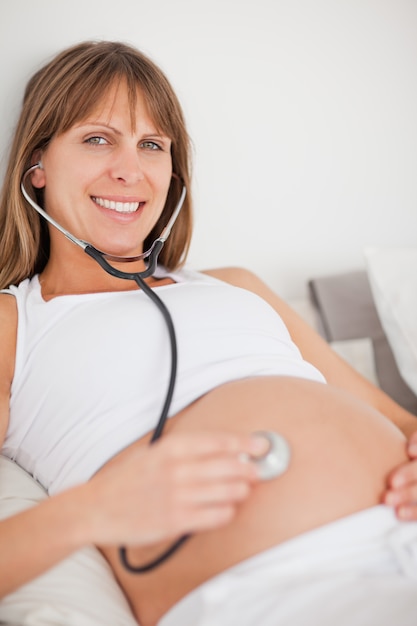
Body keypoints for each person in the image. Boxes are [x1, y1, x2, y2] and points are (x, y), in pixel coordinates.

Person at [0, 40, 417, 626]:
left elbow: (400, 421)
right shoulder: (12, 322)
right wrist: (89, 511)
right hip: (282, 586)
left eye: (152, 145)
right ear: (36, 166)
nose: (130, 170)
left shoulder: (237, 285)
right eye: (98, 139)